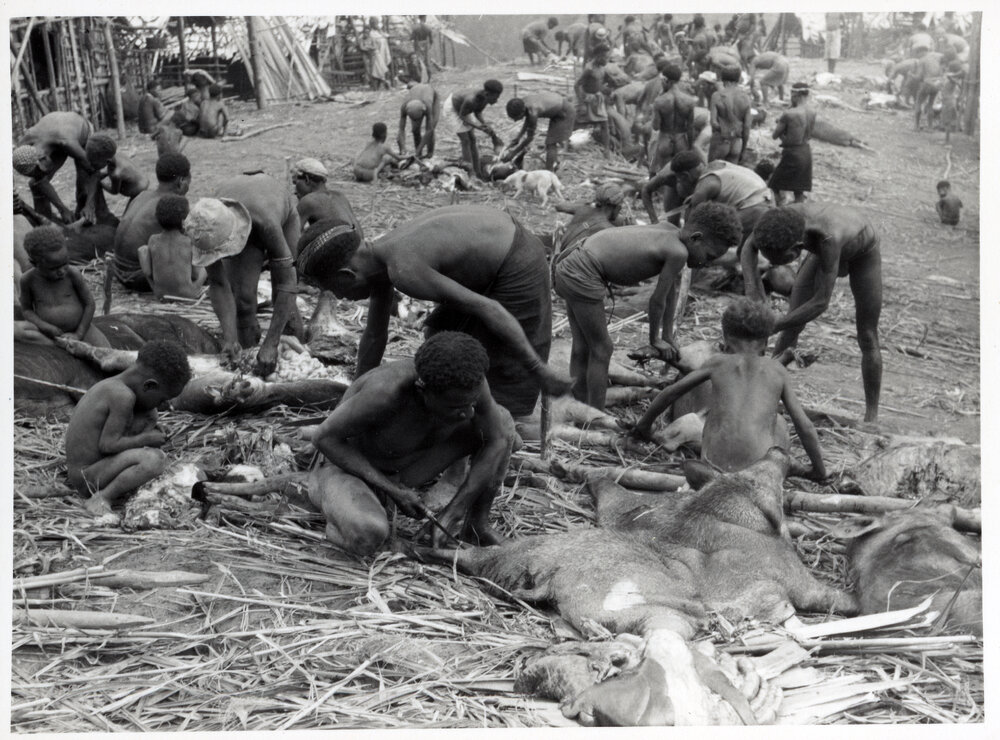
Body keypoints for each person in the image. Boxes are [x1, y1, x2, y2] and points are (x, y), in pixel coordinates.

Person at [294, 205, 569, 417]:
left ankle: (505, 428)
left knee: (503, 374)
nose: (343, 297)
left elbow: (488, 307)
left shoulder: (404, 269)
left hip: (517, 260)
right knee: (440, 334)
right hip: (487, 262)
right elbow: (374, 337)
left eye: (335, 290)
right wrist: (351, 401)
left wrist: (538, 368)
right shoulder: (380, 258)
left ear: (346, 275)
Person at [310, 332, 517, 554]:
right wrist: (392, 490)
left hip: (403, 472)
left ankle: (477, 526)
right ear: (422, 389)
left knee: (502, 425)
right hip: (348, 472)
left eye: (472, 403)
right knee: (369, 532)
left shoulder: (470, 381)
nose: (468, 413)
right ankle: (344, 514)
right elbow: (323, 438)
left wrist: (452, 513)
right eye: (455, 407)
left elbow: (497, 440)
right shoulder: (385, 392)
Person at [553, 202, 742, 409]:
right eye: (709, 257)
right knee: (602, 349)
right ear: (696, 238)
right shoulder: (678, 252)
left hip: (570, 262)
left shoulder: (669, 230)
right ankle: (593, 415)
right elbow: (657, 301)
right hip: (583, 273)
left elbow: (669, 294)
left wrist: (667, 336)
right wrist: (655, 340)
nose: (706, 264)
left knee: (582, 346)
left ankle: (579, 405)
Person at [629, 298, 826, 477]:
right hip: (759, 473)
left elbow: (670, 393)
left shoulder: (717, 363)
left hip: (713, 467)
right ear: (766, 341)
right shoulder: (777, 370)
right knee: (780, 423)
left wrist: (644, 426)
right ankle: (799, 469)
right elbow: (805, 426)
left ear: (725, 338)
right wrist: (819, 470)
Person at [740, 204, 882, 423]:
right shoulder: (773, 221)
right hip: (823, 248)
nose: (774, 266)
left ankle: (871, 418)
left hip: (862, 251)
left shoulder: (827, 239)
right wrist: (756, 301)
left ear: (797, 249)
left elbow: (820, 303)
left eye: (780, 260)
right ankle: (763, 392)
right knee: (790, 329)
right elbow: (748, 248)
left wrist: (775, 324)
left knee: (867, 335)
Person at [184, 173, 302, 376]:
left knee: (282, 298)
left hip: (277, 217)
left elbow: (288, 283)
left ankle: (295, 357)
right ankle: (249, 362)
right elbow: (219, 284)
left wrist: (271, 343)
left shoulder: (266, 222)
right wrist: (230, 339)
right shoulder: (203, 225)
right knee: (244, 302)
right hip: (236, 216)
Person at [65, 340, 191, 516]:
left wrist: (154, 428)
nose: (165, 405)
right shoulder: (121, 396)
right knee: (154, 461)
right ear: (149, 385)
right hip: (87, 479)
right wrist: (147, 439)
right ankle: (102, 498)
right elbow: (107, 445)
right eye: (163, 399)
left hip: (94, 470)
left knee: (151, 415)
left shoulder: (116, 387)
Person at [646, 153, 772, 248]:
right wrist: (654, 221)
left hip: (754, 207)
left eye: (680, 180)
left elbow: (691, 227)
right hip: (767, 199)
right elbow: (728, 190)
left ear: (685, 176)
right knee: (744, 250)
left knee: (706, 243)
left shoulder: (703, 187)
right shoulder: (715, 165)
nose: (678, 183)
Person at [19, 225, 109, 347]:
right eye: (54, 268)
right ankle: (56, 347)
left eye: (65, 263)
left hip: (82, 330)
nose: (62, 271)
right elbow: (27, 310)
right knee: (19, 334)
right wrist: (44, 326)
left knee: (105, 352)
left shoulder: (72, 274)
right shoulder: (27, 280)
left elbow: (89, 304)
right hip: (48, 334)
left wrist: (79, 334)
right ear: (34, 263)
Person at [112, 152, 191, 291]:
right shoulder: (172, 205)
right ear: (181, 181)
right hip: (139, 277)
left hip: (117, 270)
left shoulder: (142, 195)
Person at [13, 111, 95, 224]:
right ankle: (46, 221)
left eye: (38, 173)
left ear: (43, 160)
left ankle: (84, 217)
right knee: (36, 185)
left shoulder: (67, 143)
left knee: (83, 188)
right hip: (54, 133)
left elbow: (95, 172)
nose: (38, 177)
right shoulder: (24, 145)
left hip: (81, 133)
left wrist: (89, 204)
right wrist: (62, 209)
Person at [137, 195, 206, 300]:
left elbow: (149, 272)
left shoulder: (153, 240)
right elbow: (196, 275)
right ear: (184, 220)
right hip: (188, 296)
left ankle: (156, 287)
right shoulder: (188, 242)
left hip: (161, 296)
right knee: (207, 258)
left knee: (143, 250)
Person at [442, 80, 504, 179]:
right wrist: (478, 127)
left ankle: (477, 171)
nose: (496, 101)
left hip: (464, 109)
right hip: (453, 109)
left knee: (473, 139)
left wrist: (484, 125)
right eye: (495, 98)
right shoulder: (471, 100)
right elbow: (462, 116)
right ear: (488, 94)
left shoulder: (484, 98)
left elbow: (478, 112)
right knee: (465, 140)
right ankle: (469, 172)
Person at [552, 183, 625, 263]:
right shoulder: (609, 231)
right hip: (571, 267)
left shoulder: (583, 209)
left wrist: (589, 204)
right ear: (618, 207)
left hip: (558, 258)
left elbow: (559, 206)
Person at [291, 158, 364, 237]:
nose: (294, 191)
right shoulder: (340, 196)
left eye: (295, 183)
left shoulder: (309, 201)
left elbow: (292, 236)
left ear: (307, 180)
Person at [504, 92, 575, 172]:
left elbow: (529, 138)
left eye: (516, 118)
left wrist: (513, 153)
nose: (514, 120)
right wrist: (518, 137)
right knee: (551, 141)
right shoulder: (523, 102)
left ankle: (549, 171)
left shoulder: (533, 112)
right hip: (558, 108)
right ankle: (554, 162)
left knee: (551, 143)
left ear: (522, 112)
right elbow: (527, 120)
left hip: (565, 113)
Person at [768, 82, 814, 204]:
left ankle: (778, 211)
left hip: (793, 153)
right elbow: (808, 134)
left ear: (795, 94)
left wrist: (781, 124)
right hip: (806, 152)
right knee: (799, 190)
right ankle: (799, 213)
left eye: (791, 94)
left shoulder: (789, 113)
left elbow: (774, 136)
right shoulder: (812, 112)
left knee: (774, 186)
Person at [648, 61, 697, 174]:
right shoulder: (689, 101)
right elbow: (690, 127)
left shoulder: (660, 101)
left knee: (665, 174)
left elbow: (655, 127)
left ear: (666, 81)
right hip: (681, 141)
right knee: (680, 175)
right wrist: (690, 147)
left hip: (665, 140)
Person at [709, 66, 752, 164]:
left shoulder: (717, 96)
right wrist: (743, 149)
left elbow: (713, 123)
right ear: (738, 79)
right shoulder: (746, 98)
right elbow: (747, 127)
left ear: (723, 79)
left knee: (713, 171)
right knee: (731, 175)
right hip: (737, 142)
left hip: (721, 140)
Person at [397, 83, 440, 158]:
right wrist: (403, 147)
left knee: (432, 127)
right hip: (417, 99)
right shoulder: (404, 106)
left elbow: (429, 130)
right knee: (415, 130)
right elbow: (401, 129)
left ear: (423, 110)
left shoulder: (427, 105)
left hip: (431, 95)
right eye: (414, 119)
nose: (416, 121)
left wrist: (419, 149)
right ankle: (419, 154)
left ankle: (430, 153)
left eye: (417, 119)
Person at [411, 15, 434, 80]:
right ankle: (428, 77)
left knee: (420, 61)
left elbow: (411, 38)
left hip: (418, 44)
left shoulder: (415, 28)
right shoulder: (428, 28)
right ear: (424, 18)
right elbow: (431, 40)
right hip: (426, 44)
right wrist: (429, 47)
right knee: (427, 61)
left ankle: (421, 77)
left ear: (419, 18)